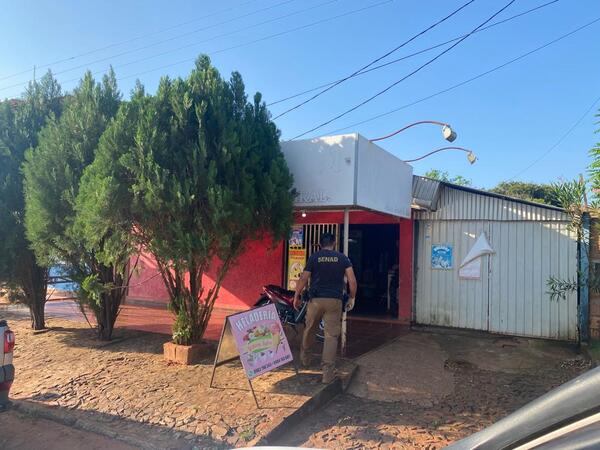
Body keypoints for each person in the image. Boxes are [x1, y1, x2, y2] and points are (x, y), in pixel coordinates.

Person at [293, 232, 358, 384]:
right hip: (334, 301)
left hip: (315, 300)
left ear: (320, 244)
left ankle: (306, 359)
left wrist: (296, 295)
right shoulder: (343, 258)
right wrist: (352, 297)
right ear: (334, 243)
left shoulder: (314, 257)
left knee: (310, 329)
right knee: (331, 337)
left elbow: (303, 278)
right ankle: (327, 374)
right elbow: (352, 281)